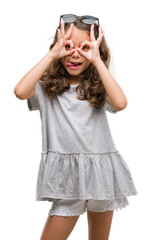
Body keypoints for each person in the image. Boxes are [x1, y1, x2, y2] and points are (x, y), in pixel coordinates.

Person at [14, 14, 138, 240]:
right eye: (68, 46)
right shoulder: (46, 88)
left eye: (85, 47)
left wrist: (97, 60)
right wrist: (52, 53)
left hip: (100, 173)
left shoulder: (99, 86)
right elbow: (20, 91)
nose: (75, 53)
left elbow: (120, 103)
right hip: (67, 180)